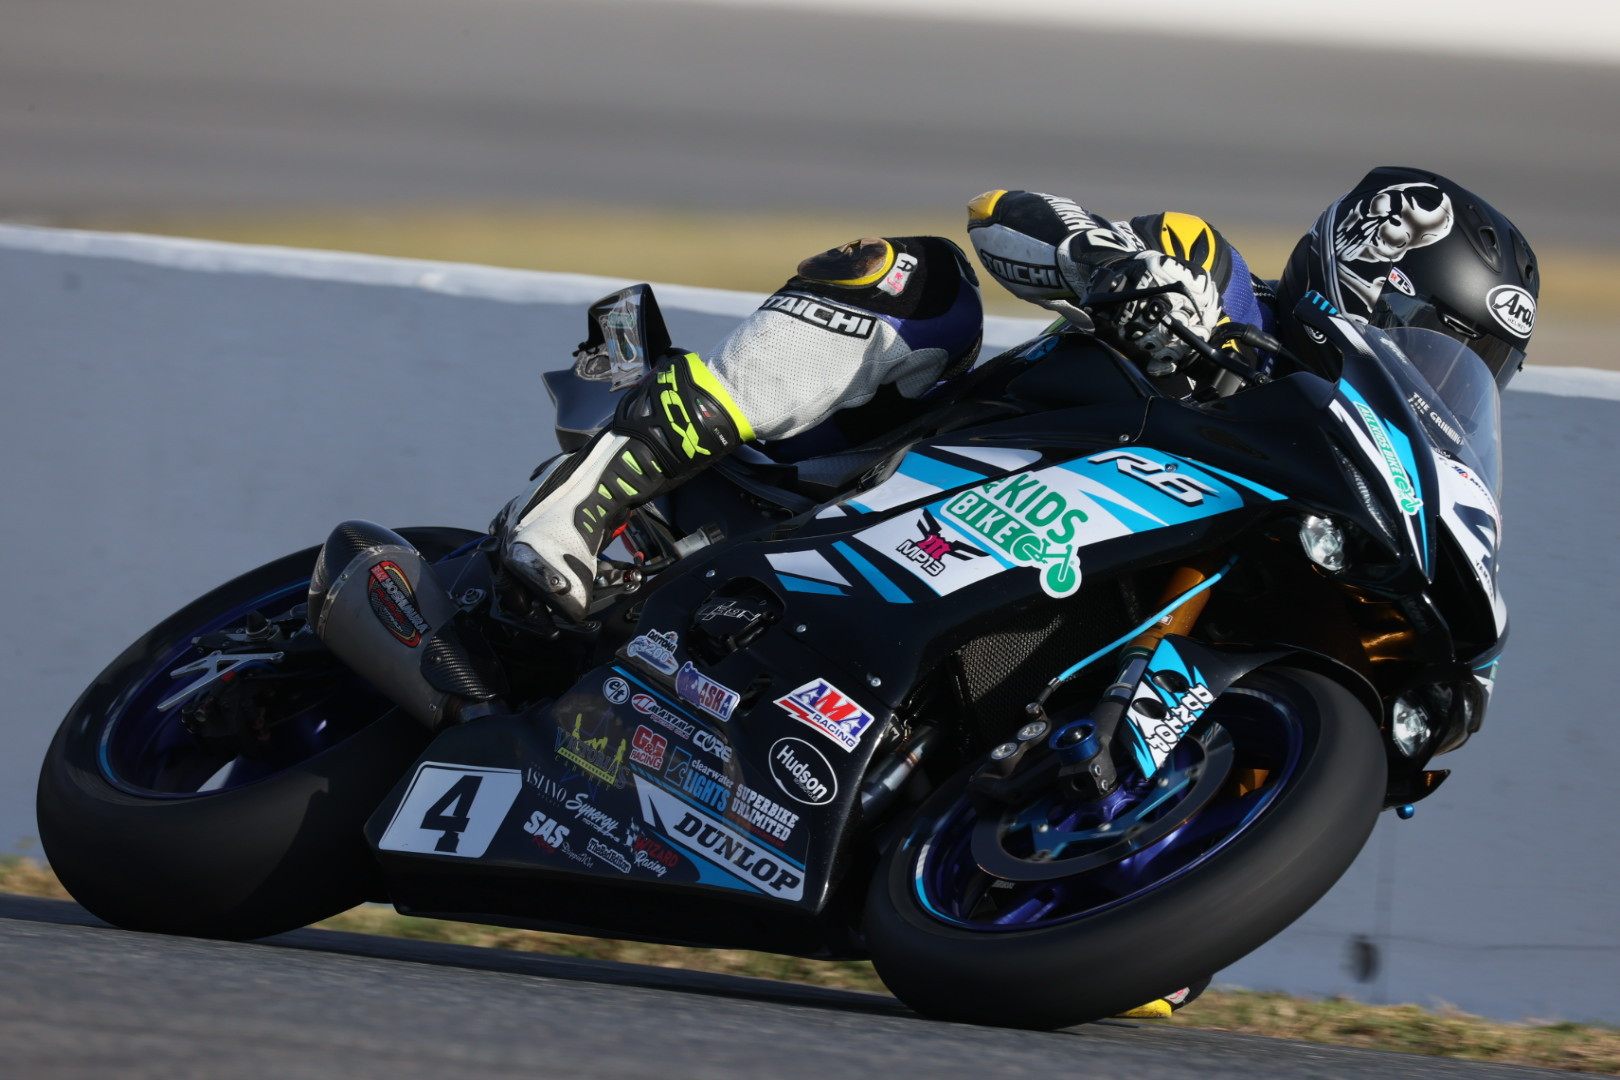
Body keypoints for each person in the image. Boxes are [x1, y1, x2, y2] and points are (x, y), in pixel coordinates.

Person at [498, 167, 1538, 625]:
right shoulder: (1209, 273)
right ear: (1374, 272)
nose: (1442, 380)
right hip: (868, 482)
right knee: (919, 282)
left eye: (1469, 371)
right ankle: (594, 498)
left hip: (1022, 581)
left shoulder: (1344, 463)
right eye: (1438, 342)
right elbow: (1008, 215)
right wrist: (1112, 273)